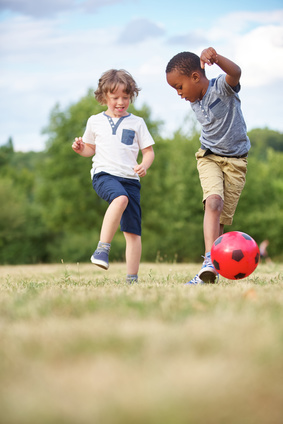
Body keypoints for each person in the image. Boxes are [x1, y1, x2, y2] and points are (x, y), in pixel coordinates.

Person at [166, 47, 251, 284]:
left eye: (179, 87)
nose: (179, 93)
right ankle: (208, 261)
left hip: (236, 162)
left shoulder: (221, 87)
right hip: (209, 157)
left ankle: (211, 272)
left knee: (220, 221)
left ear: (195, 77)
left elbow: (236, 73)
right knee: (213, 202)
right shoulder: (194, 99)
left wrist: (217, 58)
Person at [72, 69, 155, 283]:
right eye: (115, 97)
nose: (121, 102)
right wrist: (81, 148)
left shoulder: (137, 123)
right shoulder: (95, 121)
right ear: (104, 97)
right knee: (120, 198)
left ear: (131, 97)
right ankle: (102, 249)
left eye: (125, 97)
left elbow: (148, 151)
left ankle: (132, 279)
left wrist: (144, 165)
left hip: (131, 180)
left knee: (133, 232)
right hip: (104, 175)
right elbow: (90, 148)